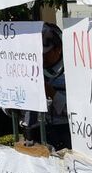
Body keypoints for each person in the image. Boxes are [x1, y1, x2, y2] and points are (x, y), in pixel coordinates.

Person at [20, 22, 70, 151]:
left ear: (58, 49)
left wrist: (51, 93)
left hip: (65, 134)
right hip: (34, 136)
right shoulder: (27, 69)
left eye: (45, 53)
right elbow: (12, 110)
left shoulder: (72, 72)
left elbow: (79, 112)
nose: (41, 58)